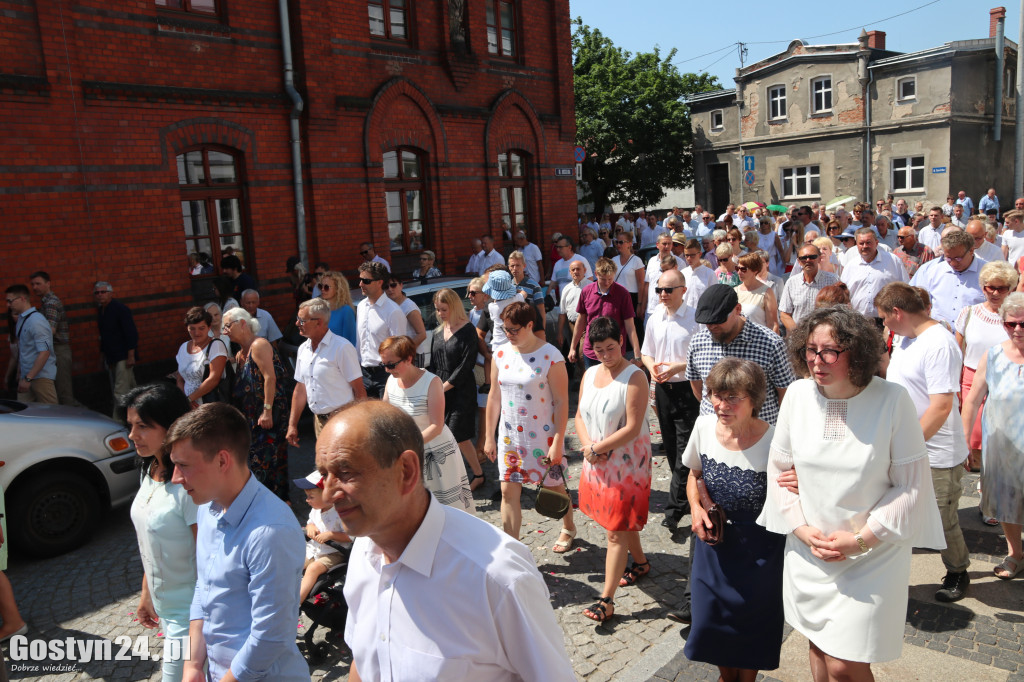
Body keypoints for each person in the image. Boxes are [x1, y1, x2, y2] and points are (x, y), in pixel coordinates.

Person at [315, 401, 577, 681]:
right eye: (323, 474)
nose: (328, 495)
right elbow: (365, 661)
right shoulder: (363, 554)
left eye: (345, 473)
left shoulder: (496, 579)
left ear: (406, 470)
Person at [757, 306, 944, 679]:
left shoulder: (892, 400)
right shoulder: (796, 394)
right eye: (810, 349)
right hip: (809, 549)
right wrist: (800, 529)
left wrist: (860, 540)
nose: (817, 360)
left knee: (845, 664)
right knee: (817, 644)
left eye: (830, 351)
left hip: (871, 555)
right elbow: (778, 472)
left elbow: (911, 486)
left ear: (856, 353)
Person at [167, 404, 308, 682]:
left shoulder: (270, 531)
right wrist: (194, 665)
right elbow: (204, 587)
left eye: (183, 465)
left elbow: (270, 637)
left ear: (222, 461)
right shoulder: (207, 508)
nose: (175, 478)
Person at [683, 359, 785, 680]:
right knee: (710, 625)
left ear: (754, 400)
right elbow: (693, 475)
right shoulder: (703, 426)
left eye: (731, 398)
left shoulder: (777, 442)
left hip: (760, 553)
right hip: (713, 549)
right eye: (715, 394)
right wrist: (697, 510)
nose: (720, 405)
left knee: (751, 630)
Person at [876, 283, 971, 602]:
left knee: (943, 519)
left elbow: (942, 405)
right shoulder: (903, 338)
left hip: (936, 453)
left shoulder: (939, 344)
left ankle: (958, 570)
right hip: (905, 446)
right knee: (898, 513)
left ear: (897, 312)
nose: (883, 324)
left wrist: (908, 445)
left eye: (884, 318)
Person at [576, 317, 652, 622]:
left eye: (611, 347)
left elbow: (633, 427)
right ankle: (642, 564)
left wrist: (598, 449)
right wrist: (588, 448)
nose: (606, 354)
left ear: (620, 341)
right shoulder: (590, 374)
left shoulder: (635, 377)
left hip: (627, 466)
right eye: (599, 349)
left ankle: (606, 600)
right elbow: (579, 416)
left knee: (615, 531)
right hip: (596, 460)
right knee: (620, 523)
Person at [482, 301, 577, 548]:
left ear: (530, 325)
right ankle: (514, 550)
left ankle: (569, 526)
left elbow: (561, 402)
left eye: (515, 330)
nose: (509, 335)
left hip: (543, 438)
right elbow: (494, 396)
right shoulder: (500, 354)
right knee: (507, 493)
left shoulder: (550, 356)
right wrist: (488, 436)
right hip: (509, 437)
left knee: (554, 487)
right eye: (505, 330)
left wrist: (557, 442)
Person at [122, 384, 196, 682]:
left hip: (193, 614)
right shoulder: (150, 470)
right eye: (130, 425)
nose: (132, 435)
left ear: (171, 426)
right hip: (166, 609)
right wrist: (146, 594)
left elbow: (211, 554)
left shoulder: (189, 482)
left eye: (143, 426)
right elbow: (149, 542)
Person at [962, 292, 1024, 580]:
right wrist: (964, 438)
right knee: (1006, 502)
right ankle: (1015, 554)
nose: (1018, 330)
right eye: (1011, 324)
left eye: (1023, 324)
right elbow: (973, 399)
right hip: (1000, 446)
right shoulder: (994, 354)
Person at [381, 335, 474, 512]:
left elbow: (436, 426)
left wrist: (408, 445)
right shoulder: (391, 380)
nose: (386, 370)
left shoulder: (431, 382)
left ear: (408, 359)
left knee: (445, 507)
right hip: (405, 452)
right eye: (383, 364)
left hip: (434, 452)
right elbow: (385, 415)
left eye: (391, 365)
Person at [642, 269, 701, 530]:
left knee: (683, 449)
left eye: (668, 290)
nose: (662, 295)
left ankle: (674, 510)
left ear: (683, 291)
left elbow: (702, 358)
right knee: (671, 446)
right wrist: (652, 367)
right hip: (663, 390)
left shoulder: (694, 319)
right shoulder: (656, 317)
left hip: (688, 388)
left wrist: (678, 367)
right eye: (659, 290)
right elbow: (646, 352)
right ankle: (686, 496)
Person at [222, 307, 291, 502]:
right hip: (252, 421)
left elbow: (270, 378)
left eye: (227, 326)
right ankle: (266, 504)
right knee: (256, 465)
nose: (225, 331)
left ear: (243, 323)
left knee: (269, 464)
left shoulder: (259, 345)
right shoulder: (239, 354)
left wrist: (267, 411)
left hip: (268, 419)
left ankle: (278, 504)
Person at [955, 261, 1016, 475]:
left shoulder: (1016, 318)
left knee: (1000, 441)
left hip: (1005, 382)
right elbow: (958, 351)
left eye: (1002, 288)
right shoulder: (969, 313)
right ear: (983, 287)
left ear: (1011, 288)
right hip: (970, 381)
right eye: (991, 287)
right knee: (972, 442)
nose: (996, 292)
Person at [287, 298, 365, 445]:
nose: (297, 323)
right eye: (298, 319)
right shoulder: (303, 349)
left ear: (319, 322)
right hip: (319, 422)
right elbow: (300, 390)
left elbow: (359, 390)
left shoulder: (342, 348)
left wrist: (360, 426)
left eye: (302, 320)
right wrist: (292, 425)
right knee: (325, 467)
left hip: (344, 422)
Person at [431, 288, 485, 490]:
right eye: (437, 309)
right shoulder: (438, 331)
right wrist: (431, 385)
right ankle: (473, 474)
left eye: (444, 309)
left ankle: (471, 476)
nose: (440, 313)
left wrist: (443, 387)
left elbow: (466, 365)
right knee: (451, 436)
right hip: (441, 388)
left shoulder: (468, 330)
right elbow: (434, 364)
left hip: (461, 389)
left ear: (453, 306)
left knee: (456, 434)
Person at [568, 258, 640, 368]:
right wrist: (573, 347)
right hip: (591, 351)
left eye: (610, 279)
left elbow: (630, 326)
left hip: (614, 351)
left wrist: (637, 355)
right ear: (596, 274)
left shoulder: (623, 293)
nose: (607, 283)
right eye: (603, 279)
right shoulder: (586, 291)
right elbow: (581, 320)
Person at [909, 227, 985, 326]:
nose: (953, 263)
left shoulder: (988, 273)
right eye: (948, 258)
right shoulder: (932, 270)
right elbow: (915, 300)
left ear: (971, 251)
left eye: (958, 258)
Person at [293, 471, 350, 603]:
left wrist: (332, 535)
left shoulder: (340, 513)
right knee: (295, 563)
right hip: (314, 550)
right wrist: (310, 527)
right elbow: (309, 523)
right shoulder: (316, 510)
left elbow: (352, 536)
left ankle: (295, 603)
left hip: (334, 553)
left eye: (311, 497)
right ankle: (283, 592)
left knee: (313, 569)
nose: (307, 500)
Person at [356, 262, 408, 398]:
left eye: (366, 281)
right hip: (364, 374)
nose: (361, 284)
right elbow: (359, 341)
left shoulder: (393, 311)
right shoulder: (361, 306)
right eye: (360, 280)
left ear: (379, 282)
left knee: (387, 418)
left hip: (385, 374)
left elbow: (400, 349)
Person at [839, 228, 908, 322]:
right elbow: (843, 293)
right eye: (861, 243)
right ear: (856, 244)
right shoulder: (850, 266)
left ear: (876, 242)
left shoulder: (893, 261)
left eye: (868, 242)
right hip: (859, 320)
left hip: (888, 320)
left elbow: (905, 288)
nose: (865, 246)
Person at [28, 272, 76, 405]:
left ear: (48, 284)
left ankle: (73, 420)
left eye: (38, 283)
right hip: (54, 350)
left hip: (59, 350)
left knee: (63, 391)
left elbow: (50, 330)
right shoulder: (45, 303)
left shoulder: (51, 303)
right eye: (32, 284)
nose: (34, 287)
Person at [4, 285, 57, 404]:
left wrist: (28, 378)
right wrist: (22, 374)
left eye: (10, 301)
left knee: (52, 415)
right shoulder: (24, 320)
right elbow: (24, 350)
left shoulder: (36, 321)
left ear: (22, 298)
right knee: (24, 414)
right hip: (27, 376)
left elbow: (45, 352)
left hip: (40, 377)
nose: (8, 305)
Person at [95, 281, 138, 409]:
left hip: (123, 355)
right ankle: (141, 410)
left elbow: (131, 333)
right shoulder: (101, 311)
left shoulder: (120, 309)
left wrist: (131, 355)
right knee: (131, 388)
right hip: (112, 355)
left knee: (120, 391)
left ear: (110, 293)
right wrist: (102, 357)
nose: (100, 295)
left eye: (103, 292)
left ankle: (118, 419)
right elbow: (104, 336)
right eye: (97, 293)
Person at [173, 307, 228, 408]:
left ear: (209, 327)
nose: (196, 333)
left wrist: (190, 399)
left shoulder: (216, 345)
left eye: (201, 328)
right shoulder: (183, 347)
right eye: (192, 329)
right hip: (188, 406)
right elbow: (180, 379)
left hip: (210, 405)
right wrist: (185, 400)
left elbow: (214, 379)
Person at [779, 244, 839, 332]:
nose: (808, 260)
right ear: (799, 261)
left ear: (819, 258)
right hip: (798, 337)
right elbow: (784, 314)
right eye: (803, 258)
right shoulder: (791, 282)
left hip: (824, 336)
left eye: (812, 257)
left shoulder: (833, 280)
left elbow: (840, 310)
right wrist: (797, 333)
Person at [384, 277, 429, 364]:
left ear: (401, 285)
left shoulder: (409, 306)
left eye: (393, 285)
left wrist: (405, 352)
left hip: (412, 356)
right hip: (397, 357)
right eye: (386, 287)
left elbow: (422, 334)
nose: (390, 289)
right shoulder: (390, 306)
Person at [734, 253, 779, 334]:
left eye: (743, 269)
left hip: (759, 342)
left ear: (755, 270)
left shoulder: (766, 292)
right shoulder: (735, 291)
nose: (739, 272)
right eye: (737, 268)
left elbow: (773, 325)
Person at [508, 250, 546, 340]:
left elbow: (541, 311)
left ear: (524, 266)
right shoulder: (507, 286)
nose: (515, 268)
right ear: (509, 267)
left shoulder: (534, 285)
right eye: (512, 266)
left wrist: (542, 332)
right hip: (511, 331)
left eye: (518, 265)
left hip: (530, 329)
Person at [318, 270, 357, 348]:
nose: (322, 289)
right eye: (320, 286)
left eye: (326, 287)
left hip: (338, 357)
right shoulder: (320, 309)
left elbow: (350, 342)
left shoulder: (346, 311)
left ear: (337, 289)